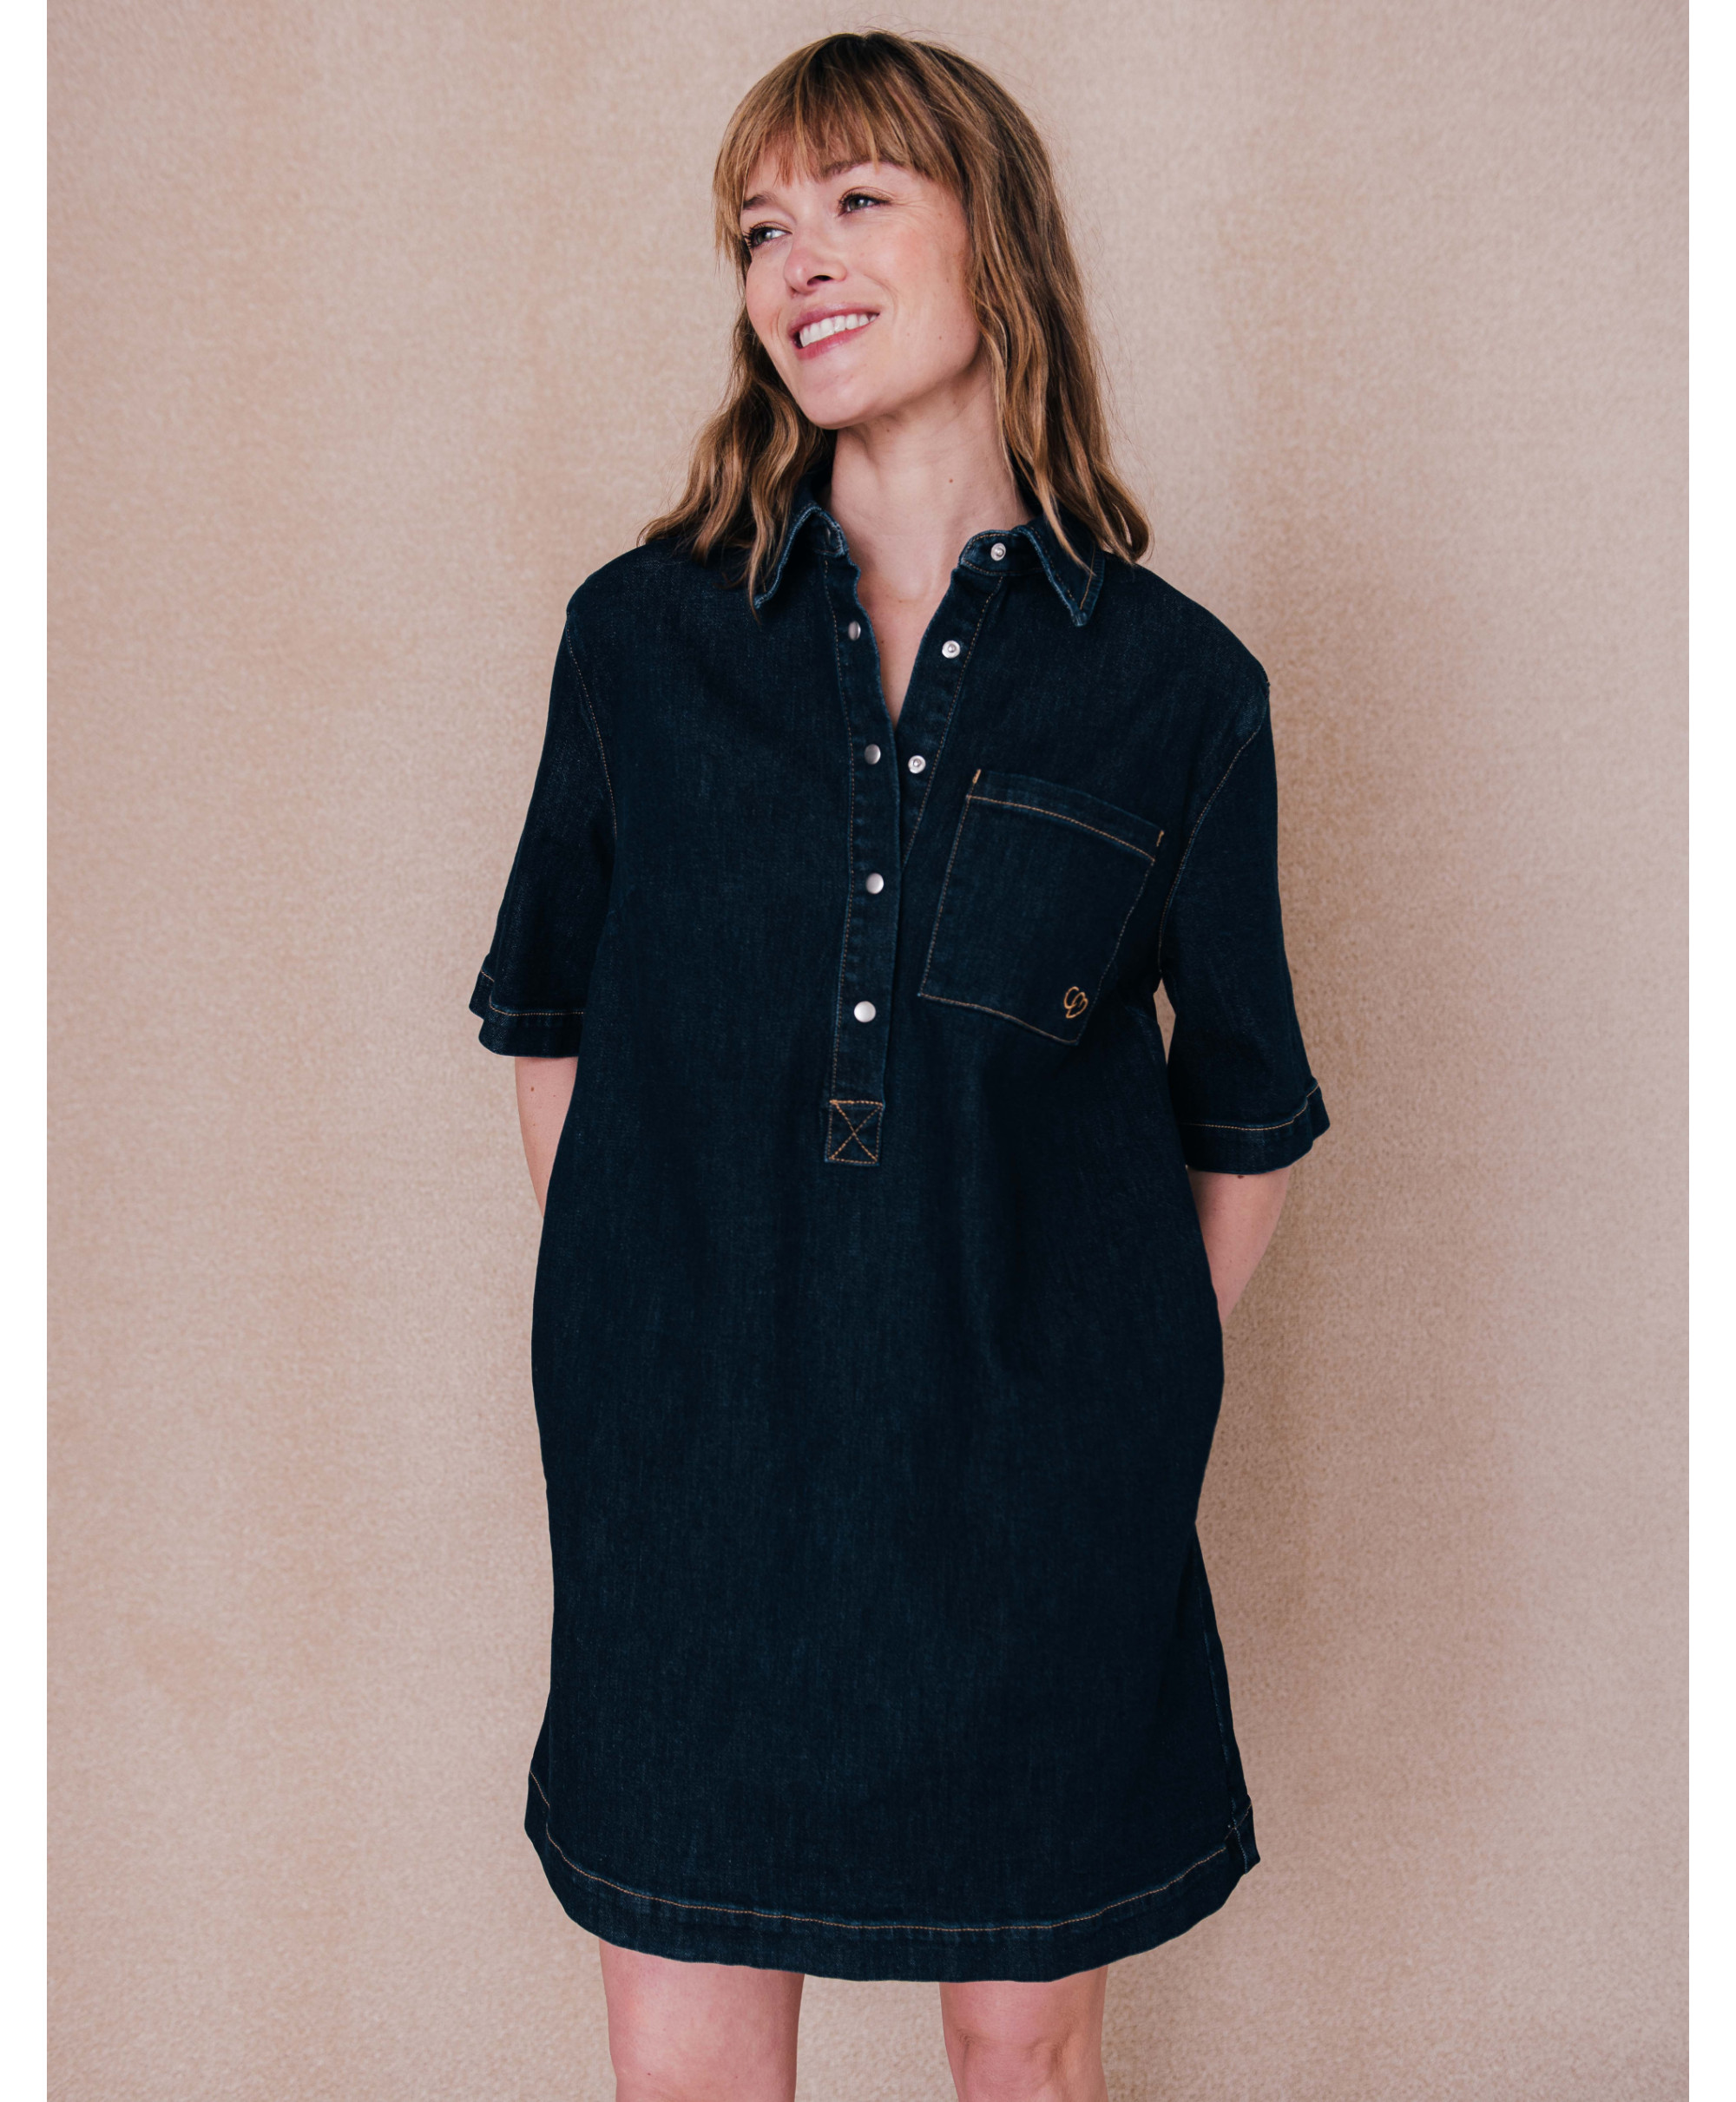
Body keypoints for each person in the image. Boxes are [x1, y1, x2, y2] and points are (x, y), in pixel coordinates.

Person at [470, 30, 1328, 2102]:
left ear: (993, 238)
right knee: (685, 2063)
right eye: (761, 226)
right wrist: (665, 1325)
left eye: (857, 199)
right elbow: (549, 1020)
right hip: (690, 1489)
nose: (799, 260)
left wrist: (1086, 1384)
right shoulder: (639, 642)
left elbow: (1242, 1111)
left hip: (1030, 1505)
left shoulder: (1174, 688)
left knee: (1025, 2062)